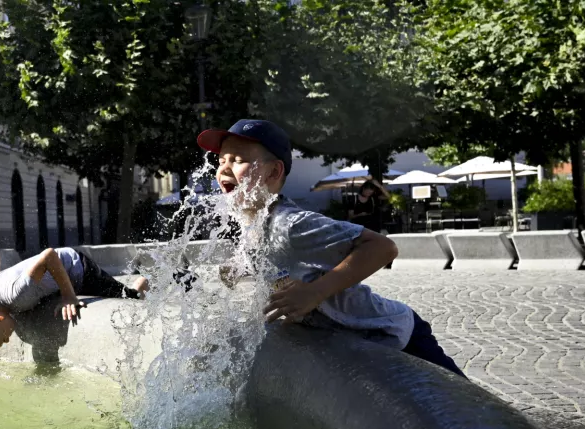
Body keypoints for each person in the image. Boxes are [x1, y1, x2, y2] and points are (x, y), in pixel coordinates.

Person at [197, 119, 465, 377]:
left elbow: (382, 247)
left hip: (394, 332)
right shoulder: (253, 225)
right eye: (221, 161)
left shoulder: (291, 224)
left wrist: (315, 292)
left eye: (238, 160)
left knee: (467, 414)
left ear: (274, 172)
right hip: (354, 343)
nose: (224, 169)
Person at [0, 248, 149, 357]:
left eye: (2, 339)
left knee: (129, 298)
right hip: (54, 280)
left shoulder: (19, 294)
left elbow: (49, 256)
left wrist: (68, 297)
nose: (7, 340)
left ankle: (141, 284)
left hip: (77, 269)